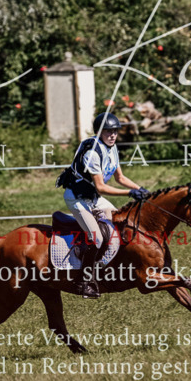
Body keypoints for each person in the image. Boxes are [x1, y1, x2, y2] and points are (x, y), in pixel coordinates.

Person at [56, 113, 149, 298]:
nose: (112, 135)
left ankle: (108, 268)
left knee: (119, 222)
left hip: (94, 197)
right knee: (97, 238)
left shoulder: (112, 148)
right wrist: (130, 193)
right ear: (99, 132)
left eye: (115, 131)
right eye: (108, 131)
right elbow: (101, 186)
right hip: (77, 198)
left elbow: (120, 178)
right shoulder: (92, 153)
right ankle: (83, 281)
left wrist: (141, 189)